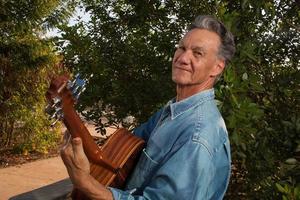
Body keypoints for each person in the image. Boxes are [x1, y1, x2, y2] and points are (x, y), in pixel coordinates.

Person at [60, 15, 236, 200]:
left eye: (197, 53)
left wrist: (85, 182)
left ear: (217, 67)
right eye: (182, 48)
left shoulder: (197, 137)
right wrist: (72, 120)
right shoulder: (174, 110)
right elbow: (124, 152)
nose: (183, 58)